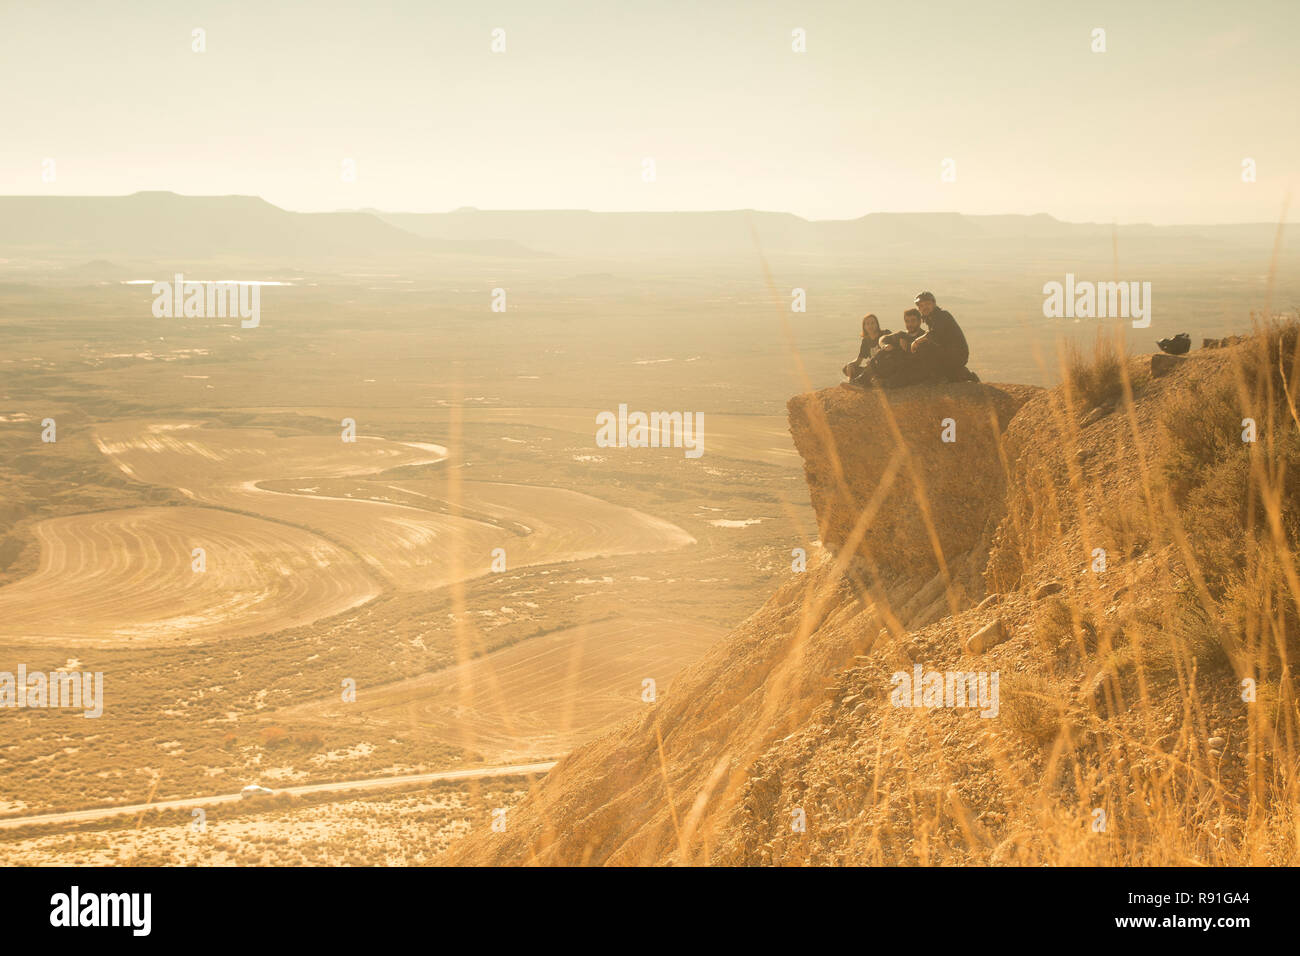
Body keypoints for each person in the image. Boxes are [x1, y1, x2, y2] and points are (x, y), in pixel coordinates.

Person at [908, 291, 972, 383]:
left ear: (934, 304)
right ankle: (957, 374)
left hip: (957, 355)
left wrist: (916, 341)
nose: (924, 307)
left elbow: (933, 334)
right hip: (952, 354)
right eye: (921, 305)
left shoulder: (942, 315)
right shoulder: (931, 318)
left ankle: (939, 376)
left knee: (923, 347)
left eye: (927, 304)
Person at [843, 313, 886, 383]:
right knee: (846, 368)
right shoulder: (866, 341)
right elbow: (859, 361)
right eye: (867, 324)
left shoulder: (884, 334)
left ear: (877, 325)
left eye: (872, 323)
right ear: (864, 327)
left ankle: (859, 381)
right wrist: (850, 364)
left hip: (884, 367)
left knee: (871, 365)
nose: (870, 326)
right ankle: (865, 379)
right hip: (872, 369)